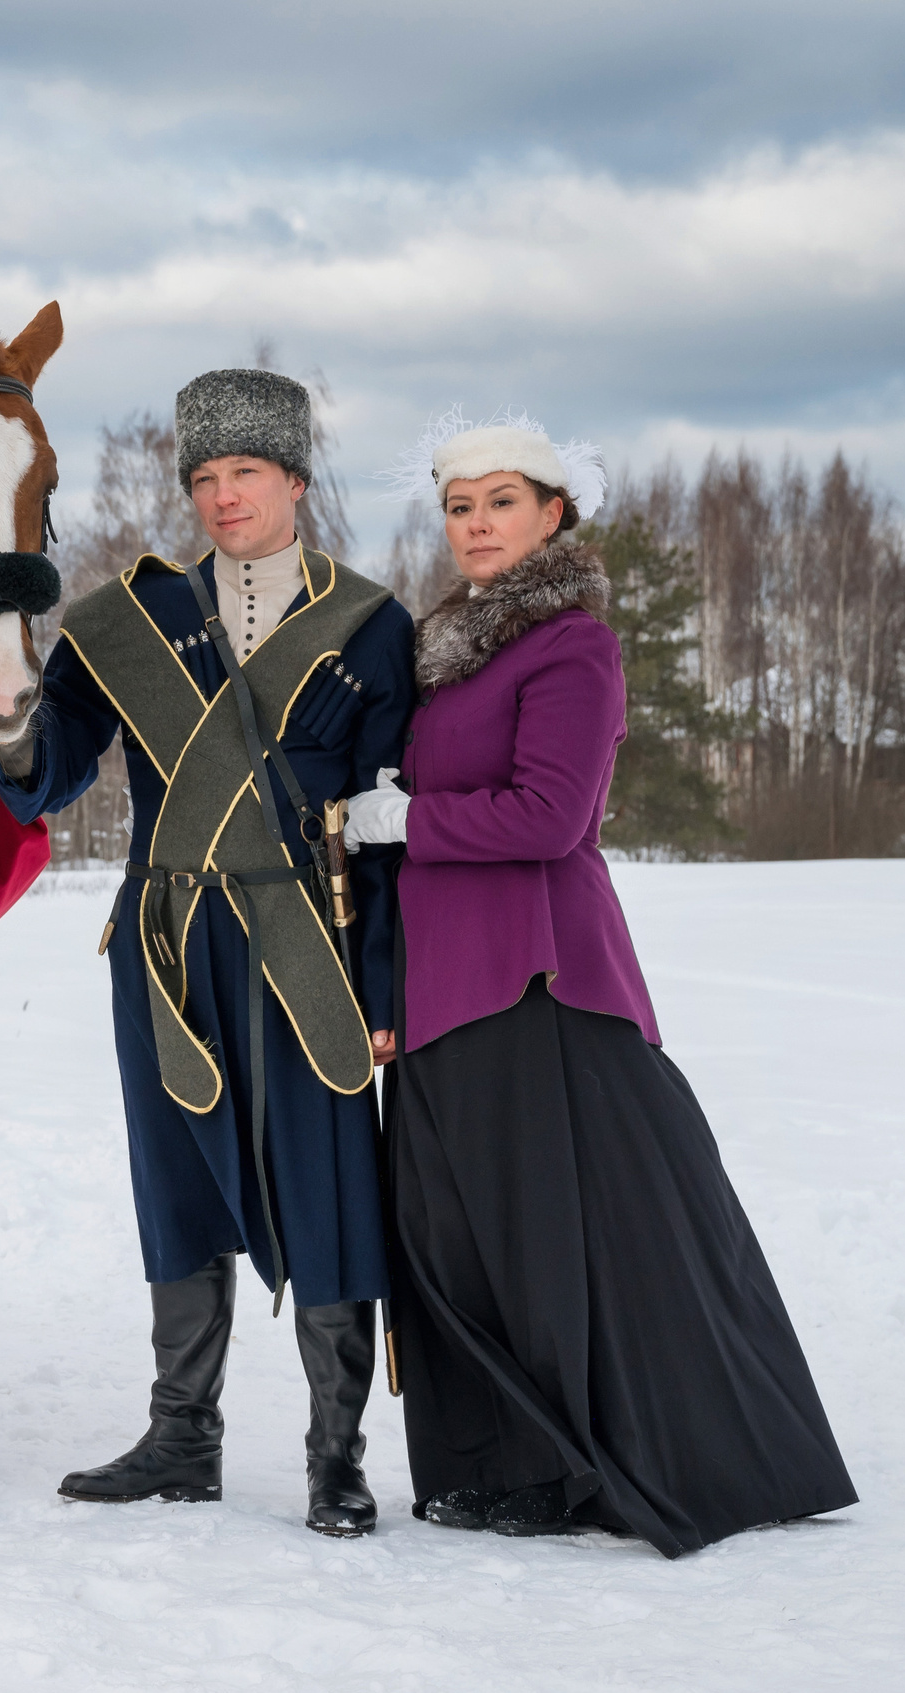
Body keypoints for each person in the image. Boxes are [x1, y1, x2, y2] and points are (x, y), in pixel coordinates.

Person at [342, 411, 857, 1556]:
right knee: (457, 1235)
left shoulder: (571, 645)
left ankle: (647, 1455)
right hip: (440, 982)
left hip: (536, 974)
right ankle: (517, 1464)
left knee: (572, 1234)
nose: (476, 525)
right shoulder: (445, 645)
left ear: (555, 511)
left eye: (502, 503)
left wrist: (409, 817)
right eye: (459, 506)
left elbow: (552, 813)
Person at [0, 370, 414, 1537]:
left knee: (328, 1187)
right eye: (206, 478)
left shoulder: (371, 623)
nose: (224, 498)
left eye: (247, 475)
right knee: (173, 1181)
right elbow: (51, 771)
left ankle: (336, 1455)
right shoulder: (127, 615)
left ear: (294, 481)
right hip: (165, 938)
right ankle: (183, 1436)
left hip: (302, 945)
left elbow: (385, 828)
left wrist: (384, 986)